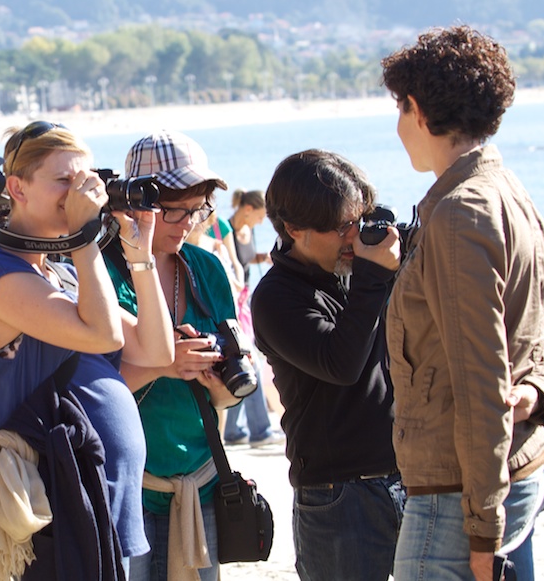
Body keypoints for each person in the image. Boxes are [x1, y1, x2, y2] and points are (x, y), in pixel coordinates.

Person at [0, 121, 174, 577]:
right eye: (63, 181)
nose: (76, 193)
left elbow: (156, 351)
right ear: (17, 188)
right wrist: (84, 236)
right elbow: (104, 335)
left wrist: (140, 254)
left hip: (105, 505)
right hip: (56, 508)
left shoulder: (62, 275)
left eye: (84, 181)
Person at [381, 26, 544, 581]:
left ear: (420, 111)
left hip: (459, 489)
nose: (398, 126)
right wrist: (538, 391)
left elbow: (479, 382)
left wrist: (483, 530)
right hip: (506, 470)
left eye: (400, 108)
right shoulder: (511, 193)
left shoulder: (460, 213)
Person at [252, 149, 404, 580]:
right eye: (342, 228)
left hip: (403, 475)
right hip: (338, 494)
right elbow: (341, 363)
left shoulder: (351, 273)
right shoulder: (276, 297)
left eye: (359, 222)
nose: (354, 238)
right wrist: (375, 278)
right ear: (294, 229)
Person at [103, 130, 241, 581]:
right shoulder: (100, 271)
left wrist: (221, 383)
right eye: (173, 210)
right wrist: (167, 365)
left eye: (197, 208)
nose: (187, 223)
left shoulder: (206, 269)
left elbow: (225, 400)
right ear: (134, 201)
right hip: (125, 490)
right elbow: (84, 394)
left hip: (200, 484)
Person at [223, 189, 282, 448]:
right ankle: (259, 431)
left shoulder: (247, 232)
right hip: (234, 305)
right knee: (250, 363)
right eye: (260, 216)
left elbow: (245, 262)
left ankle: (235, 430)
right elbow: (229, 263)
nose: (261, 222)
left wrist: (262, 258)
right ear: (248, 209)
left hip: (244, 303)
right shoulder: (226, 230)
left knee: (243, 362)